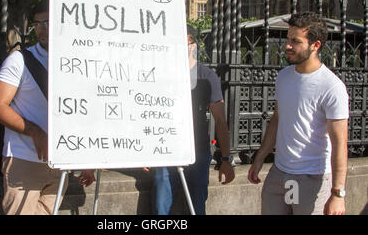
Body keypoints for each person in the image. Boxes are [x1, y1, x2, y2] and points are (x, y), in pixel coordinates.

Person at [0, 0, 95, 215]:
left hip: (60, 161)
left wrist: (86, 158)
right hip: (24, 159)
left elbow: (83, 110)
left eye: (47, 22)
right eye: (37, 24)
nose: (41, 29)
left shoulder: (79, 59)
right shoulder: (19, 60)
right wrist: (35, 132)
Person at [247, 12, 349, 215]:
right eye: (288, 39)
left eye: (295, 41)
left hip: (312, 178)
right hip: (279, 173)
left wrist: (338, 194)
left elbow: (340, 142)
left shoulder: (332, 87)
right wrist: (260, 158)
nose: (288, 46)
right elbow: (276, 120)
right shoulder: (284, 76)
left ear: (316, 45)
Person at [150, 24, 235, 215]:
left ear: (193, 44)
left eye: (184, 42)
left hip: (198, 150)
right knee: (161, 206)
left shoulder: (207, 76)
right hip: (166, 150)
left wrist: (227, 159)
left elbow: (220, 120)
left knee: (196, 205)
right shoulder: (162, 73)